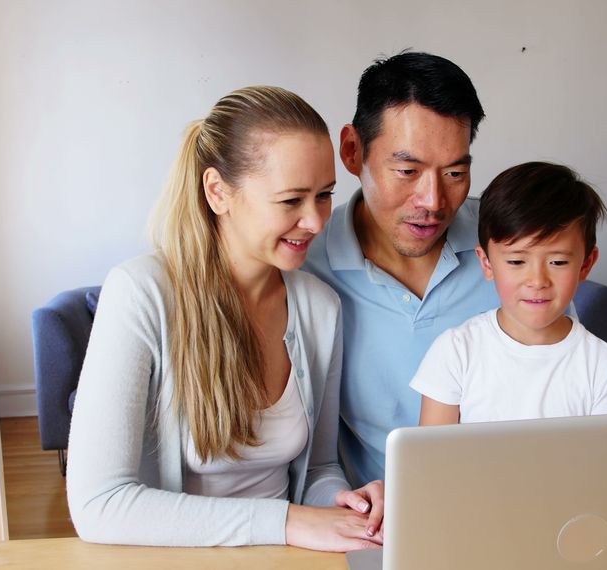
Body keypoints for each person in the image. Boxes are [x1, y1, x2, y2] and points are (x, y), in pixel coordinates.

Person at [66, 86, 383, 551]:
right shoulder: (141, 294)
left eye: (324, 195)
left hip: (288, 558)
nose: (316, 221)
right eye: (291, 200)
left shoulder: (319, 307)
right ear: (218, 192)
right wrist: (287, 523)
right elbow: (99, 505)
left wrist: (341, 501)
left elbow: (316, 469)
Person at [303, 52, 500, 487]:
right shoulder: (304, 269)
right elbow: (309, 459)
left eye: (454, 172)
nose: (432, 201)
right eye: (407, 170)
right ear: (352, 151)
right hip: (379, 534)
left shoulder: (509, 250)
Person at [411, 162, 607, 425]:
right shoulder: (457, 351)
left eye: (558, 262)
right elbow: (434, 459)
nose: (537, 281)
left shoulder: (603, 366)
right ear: (487, 263)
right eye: (517, 262)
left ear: (585, 264)